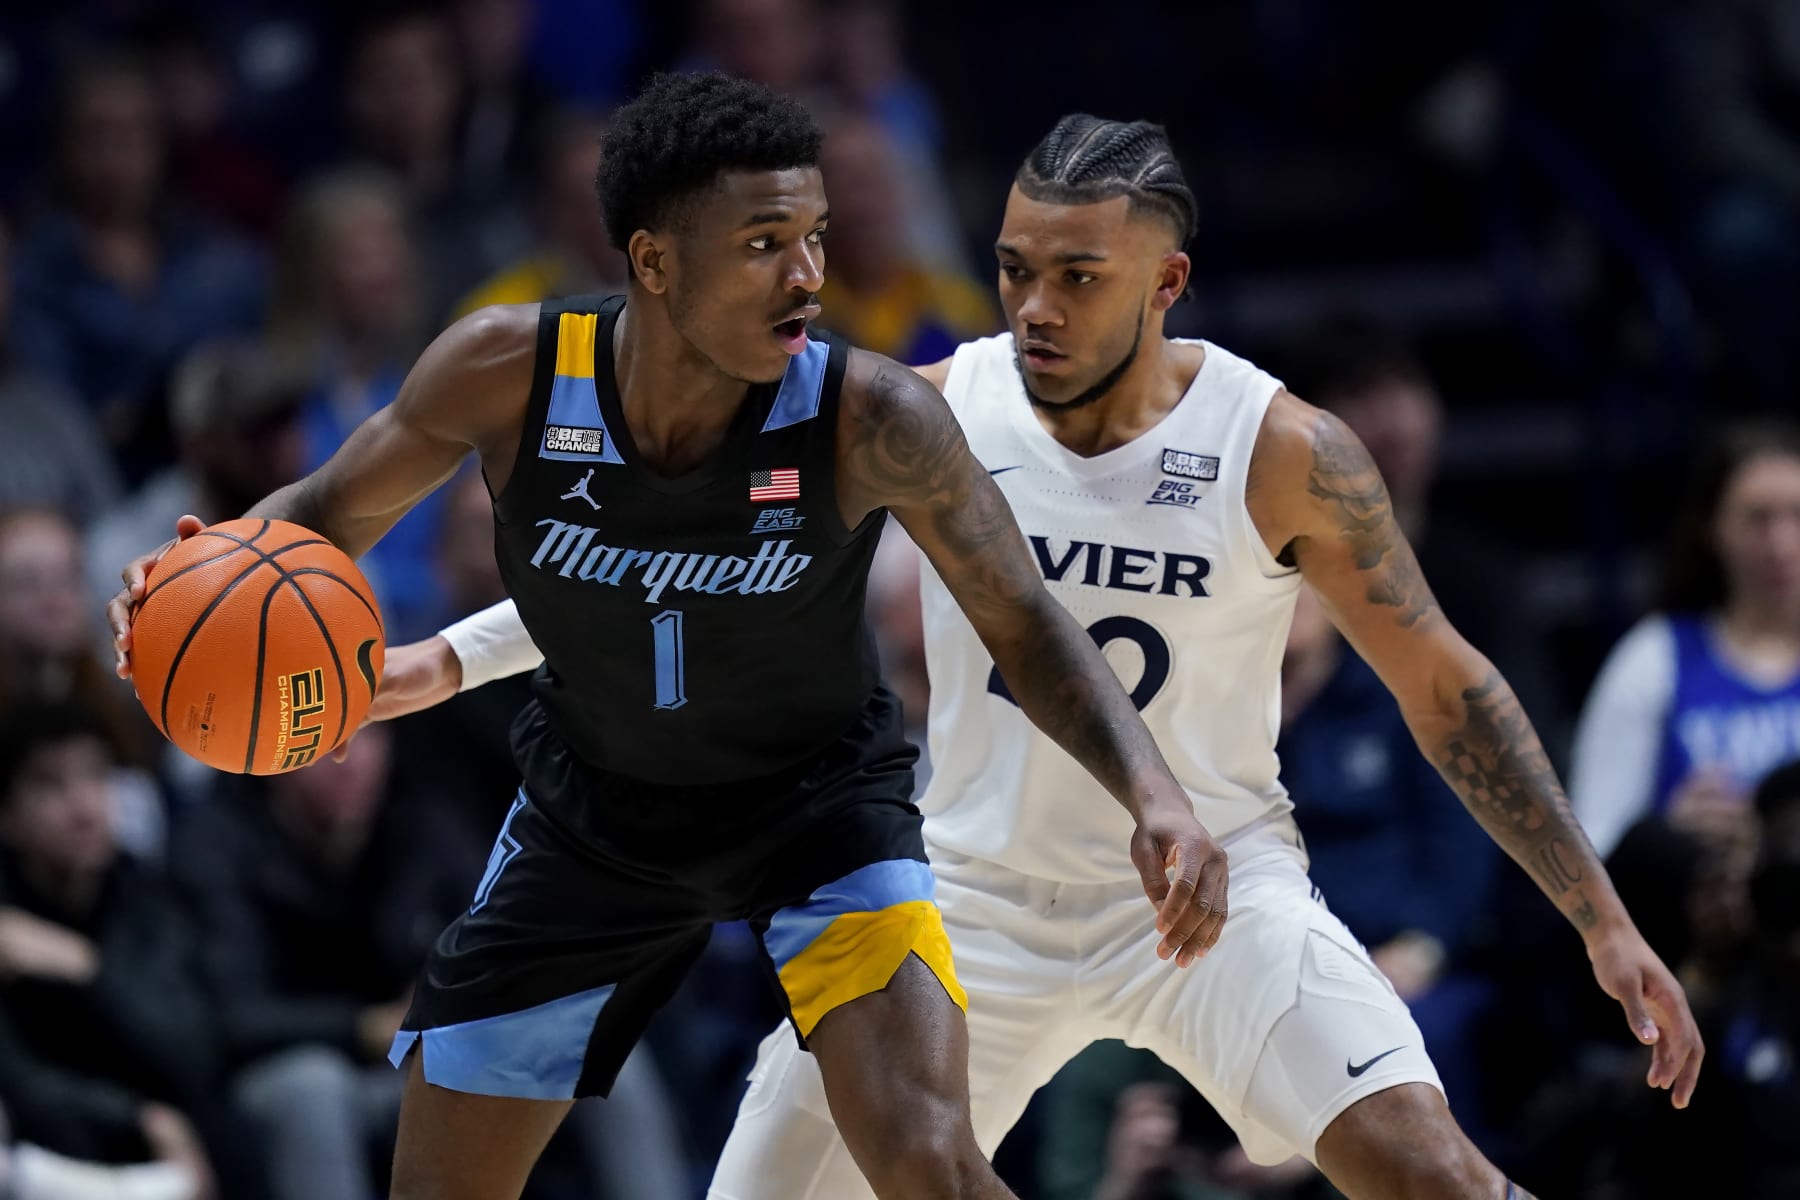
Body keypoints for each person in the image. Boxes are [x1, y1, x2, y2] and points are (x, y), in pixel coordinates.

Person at [399, 114, 1705, 1199]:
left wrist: (1602, 920)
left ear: (1166, 284)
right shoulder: (930, 409)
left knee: (1437, 1178)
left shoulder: (1280, 448)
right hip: (966, 900)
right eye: (1017, 268)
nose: (1033, 306)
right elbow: (678, 581)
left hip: (1216, 897)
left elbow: (1447, 686)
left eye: (1077, 276)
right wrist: (449, 662)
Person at [107, 74, 1223, 1200]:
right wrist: (178, 590)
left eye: (817, 238)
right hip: (593, 819)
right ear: (652, 261)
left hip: (819, 814)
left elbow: (1026, 620)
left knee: (926, 1157)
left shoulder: (873, 416)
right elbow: (316, 521)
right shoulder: (507, 371)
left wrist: (1157, 795)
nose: (808, 277)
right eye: (765, 243)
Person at [1570, 420, 1800, 860]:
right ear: (1712, 529)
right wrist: (1665, 837)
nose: (1782, 544)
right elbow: (1588, 849)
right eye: (1758, 518)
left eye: (1798, 515)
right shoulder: (1652, 657)